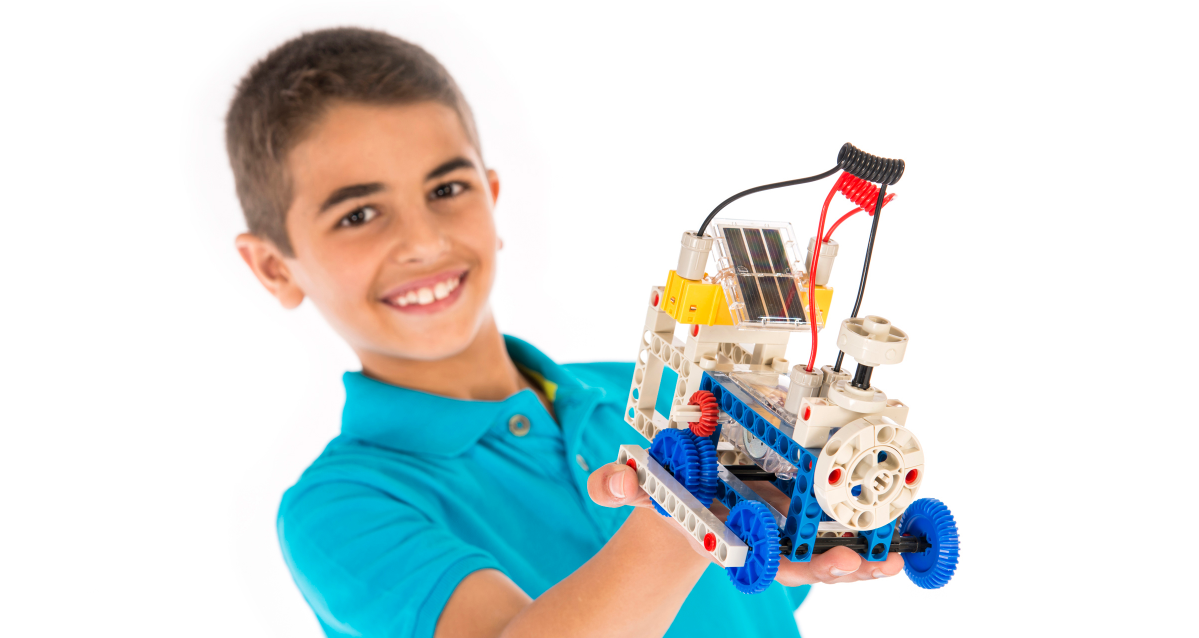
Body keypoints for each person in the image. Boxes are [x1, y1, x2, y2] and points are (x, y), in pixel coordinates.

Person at [227, 27, 903, 638]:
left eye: (446, 190)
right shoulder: (342, 509)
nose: (423, 241)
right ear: (273, 268)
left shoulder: (649, 393)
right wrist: (691, 505)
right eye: (358, 215)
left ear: (491, 199)